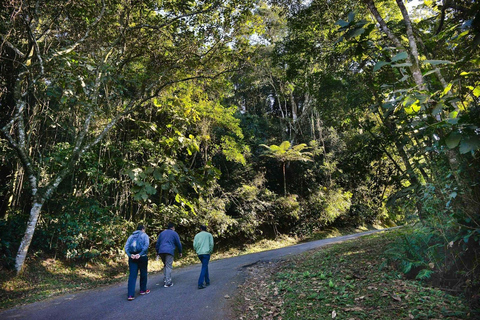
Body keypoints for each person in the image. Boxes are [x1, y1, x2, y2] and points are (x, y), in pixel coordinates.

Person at [124, 224, 150, 301]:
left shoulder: (131, 236)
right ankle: (143, 290)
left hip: (132, 257)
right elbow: (146, 245)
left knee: (132, 275)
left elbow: (126, 247)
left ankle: (130, 295)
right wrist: (140, 254)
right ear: (143, 229)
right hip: (142, 257)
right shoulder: (144, 235)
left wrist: (130, 255)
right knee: (143, 273)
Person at [156, 222, 182, 287]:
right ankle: (168, 282)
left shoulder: (162, 233)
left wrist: (157, 252)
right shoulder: (174, 233)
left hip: (161, 251)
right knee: (168, 265)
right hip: (169, 251)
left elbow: (157, 243)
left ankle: (165, 279)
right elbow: (178, 243)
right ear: (173, 227)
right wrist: (180, 252)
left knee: (165, 265)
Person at [193, 225, 214, 289]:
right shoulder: (209, 235)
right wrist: (210, 251)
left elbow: (194, 245)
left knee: (205, 266)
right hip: (206, 253)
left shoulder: (197, 235)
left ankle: (207, 281)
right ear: (206, 229)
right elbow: (211, 244)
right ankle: (200, 283)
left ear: (200, 229)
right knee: (204, 267)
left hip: (200, 253)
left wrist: (197, 251)